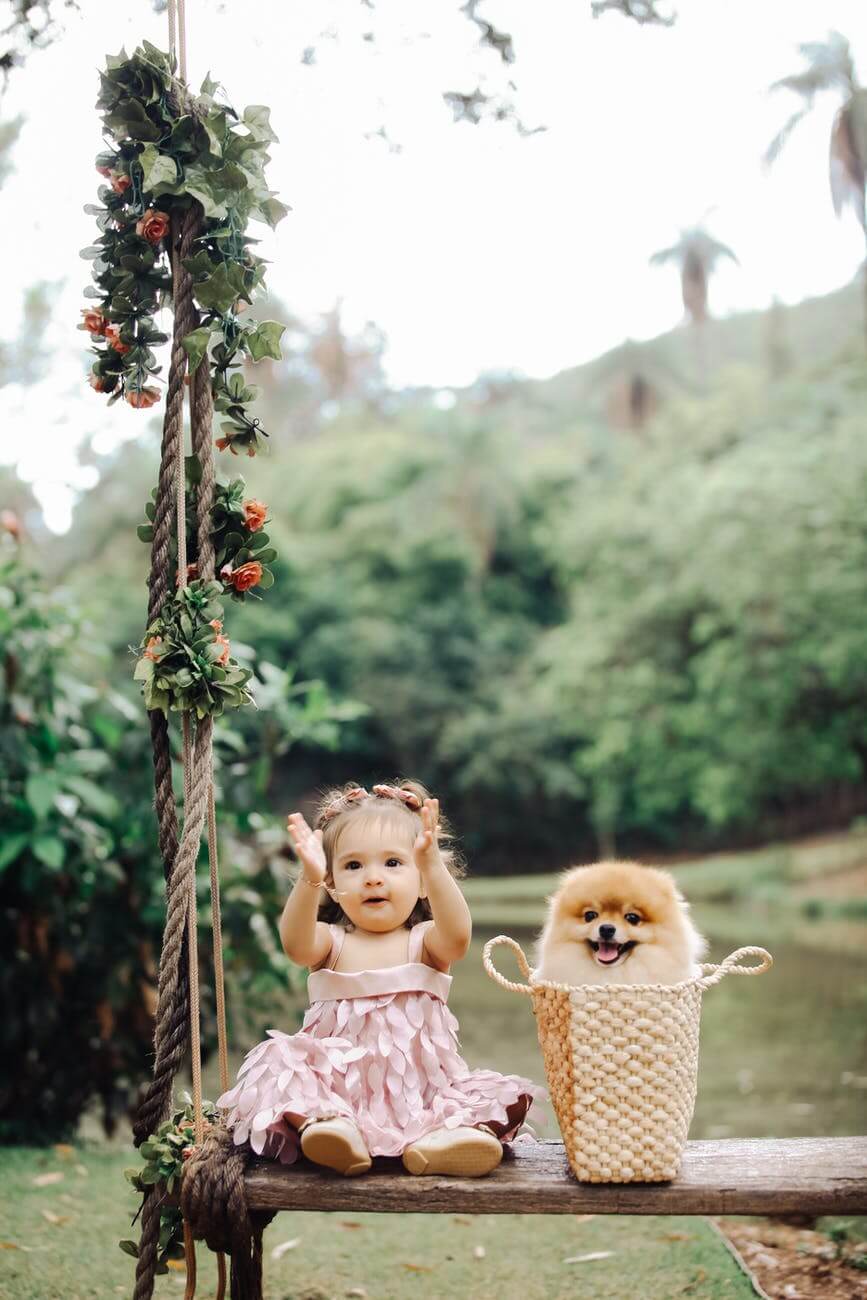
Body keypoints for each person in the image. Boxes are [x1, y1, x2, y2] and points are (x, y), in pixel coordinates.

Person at [217, 779, 542, 1177]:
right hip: (338, 1094)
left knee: (484, 1099)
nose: (373, 878)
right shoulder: (330, 944)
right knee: (278, 1060)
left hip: (422, 1099)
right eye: (353, 865)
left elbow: (458, 937)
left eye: (393, 863)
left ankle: (438, 1142)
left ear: (420, 880)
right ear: (333, 887)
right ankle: (332, 1130)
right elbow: (295, 944)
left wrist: (433, 866)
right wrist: (309, 879)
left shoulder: (424, 943)